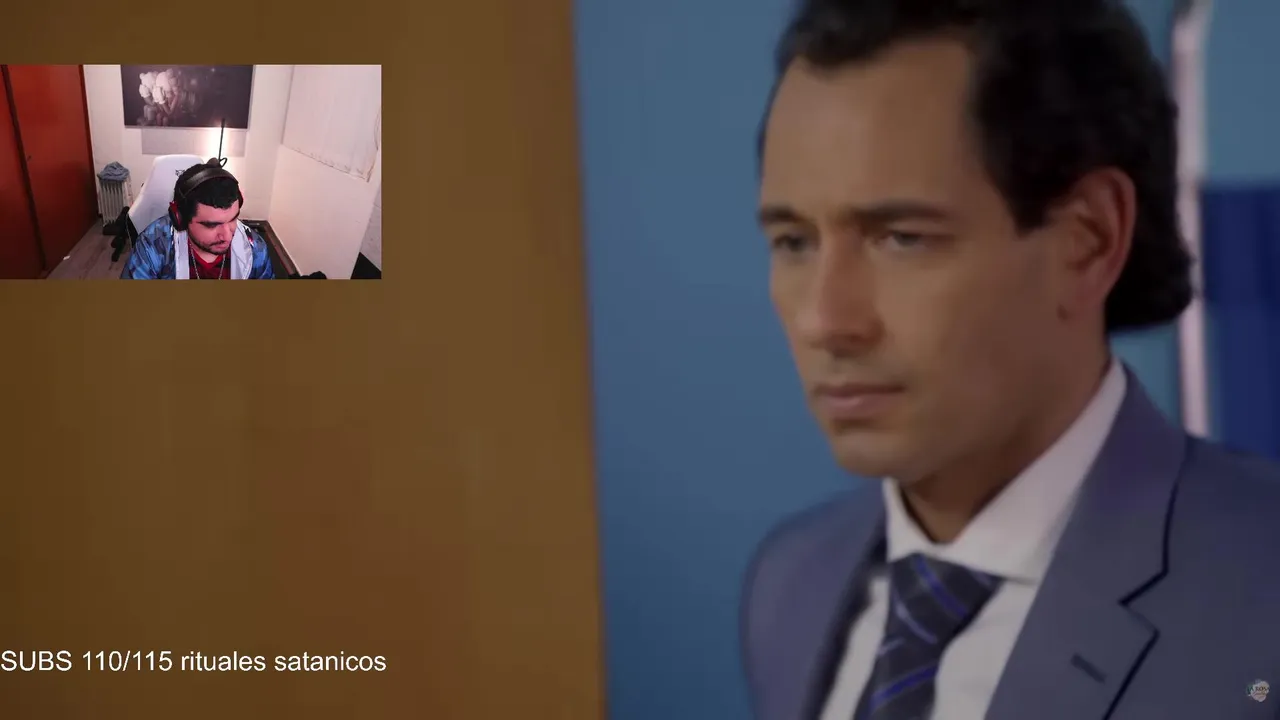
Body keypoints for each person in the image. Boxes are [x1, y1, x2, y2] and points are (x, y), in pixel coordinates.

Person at [741, 1, 1280, 719]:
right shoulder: (791, 585)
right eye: (793, 243)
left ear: (1087, 240)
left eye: (902, 238)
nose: (825, 321)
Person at [121, 160, 275, 279]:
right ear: (180, 219)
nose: (228, 236)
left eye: (233, 219)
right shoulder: (153, 246)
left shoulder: (254, 249)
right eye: (212, 225)